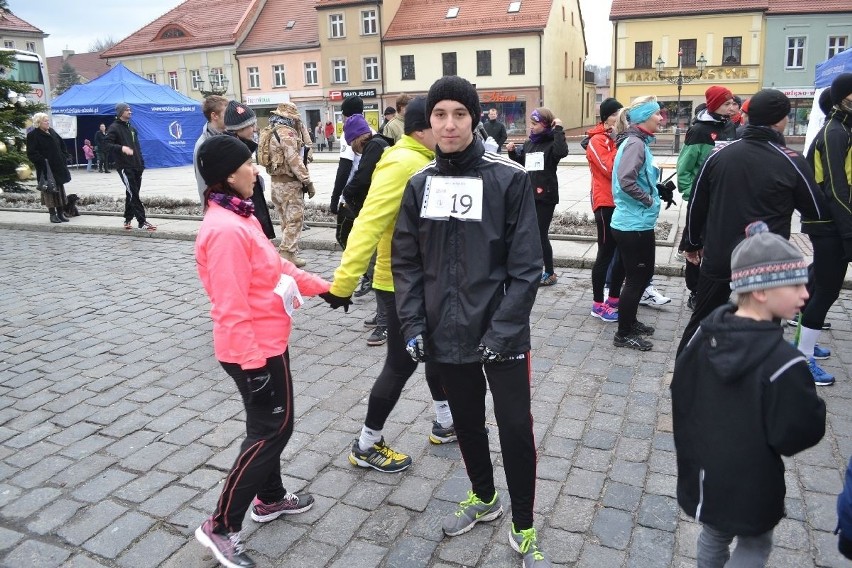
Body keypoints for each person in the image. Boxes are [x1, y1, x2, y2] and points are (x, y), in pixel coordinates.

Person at [393, 75, 551, 568]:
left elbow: (527, 267)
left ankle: (523, 525)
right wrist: (413, 323)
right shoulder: (420, 185)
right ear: (428, 122)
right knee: (466, 423)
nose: (449, 124)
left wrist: (503, 332)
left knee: (514, 429)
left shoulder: (508, 178)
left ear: (476, 117)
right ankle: (484, 498)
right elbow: (407, 262)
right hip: (445, 331)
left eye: (459, 114)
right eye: (439, 115)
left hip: (501, 331)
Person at [193, 135, 332, 568]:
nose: (257, 170)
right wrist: (254, 369)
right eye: (249, 165)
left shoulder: (240, 215)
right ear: (227, 176)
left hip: (269, 341)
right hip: (253, 350)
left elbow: (276, 266)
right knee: (271, 431)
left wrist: (326, 289)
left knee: (274, 426)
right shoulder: (225, 230)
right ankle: (220, 525)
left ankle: (269, 499)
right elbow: (229, 308)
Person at [672, 221, 826, 568]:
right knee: (755, 543)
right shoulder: (784, 362)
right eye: (796, 284)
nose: (806, 294)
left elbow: (682, 390)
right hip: (753, 481)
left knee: (713, 533)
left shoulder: (702, 335)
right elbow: (796, 434)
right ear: (761, 291)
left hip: (706, 469)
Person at [321, 96, 458, 474]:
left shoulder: (425, 159)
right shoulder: (402, 163)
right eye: (440, 120)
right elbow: (368, 222)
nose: (450, 128)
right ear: (422, 129)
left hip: (425, 280)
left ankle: (445, 423)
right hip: (400, 283)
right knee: (400, 363)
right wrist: (343, 283)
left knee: (437, 353)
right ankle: (367, 444)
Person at [676, 89, 826, 355]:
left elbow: (697, 204)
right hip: (764, 261)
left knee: (702, 322)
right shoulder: (791, 160)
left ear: (746, 116)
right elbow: (815, 211)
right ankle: (755, 384)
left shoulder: (719, 154)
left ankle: (685, 374)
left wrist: (691, 242)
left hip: (720, 254)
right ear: (782, 120)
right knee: (765, 329)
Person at [796, 72, 852, 385]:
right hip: (830, 222)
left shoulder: (841, 127)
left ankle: (804, 342)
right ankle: (802, 358)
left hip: (832, 221)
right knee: (827, 289)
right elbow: (836, 187)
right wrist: (848, 231)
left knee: (818, 283)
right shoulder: (834, 131)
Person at [610, 96, 665, 351]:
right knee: (636, 280)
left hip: (635, 223)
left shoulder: (637, 142)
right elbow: (626, 180)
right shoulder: (635, 144)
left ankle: (630, 322)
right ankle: (623, 334)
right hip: (634, 225)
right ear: (644, 117)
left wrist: (656, 191)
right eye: (657, 114)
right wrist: (649, 201)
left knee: (639, 277)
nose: (661, 118)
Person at [676, 86, 738, 310]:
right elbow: (684, 168)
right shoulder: (700, 131)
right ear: (714, 105)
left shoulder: (731, 127)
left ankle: (719, 289)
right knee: (695, 244)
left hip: (725, 200)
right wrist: (692, 196)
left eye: (733, 103)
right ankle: (695, 291)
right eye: (727, 103)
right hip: (703, 200)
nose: (732, 107)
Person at [507, 107, 568, 286]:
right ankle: (534, 267)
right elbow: (522, 164)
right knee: (530, 234)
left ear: (545, 124)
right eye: (530, 124)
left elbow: (561, 152)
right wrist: (512, 153)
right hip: (529, 194)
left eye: (535, 124)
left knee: (541, 235)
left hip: (546, 196)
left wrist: (558, 129)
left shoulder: (552, 142)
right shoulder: (529, 143)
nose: (531, 127)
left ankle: (549, 273)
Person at [586, 97, 625, 322]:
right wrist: (619, 143)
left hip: (621, 203)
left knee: (620, 253)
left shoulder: (616, 138)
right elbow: (612, 169)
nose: (619, 117)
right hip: (605, 204)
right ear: (607, 117)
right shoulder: (597, 140)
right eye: (615, 114)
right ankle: (598, 304)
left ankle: (613, 299)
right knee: (605, 254)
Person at [223, 100, 277, 243]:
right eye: (251, 125)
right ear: (239, 128)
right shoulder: (232, 150)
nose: (255, 129)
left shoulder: (239, 145)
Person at [103, 102, 156, 231]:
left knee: (132, 192)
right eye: (127, 110)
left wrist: (141, 163)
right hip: (125, 166)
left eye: (130, 110)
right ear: (121, 112)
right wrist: (122, 148)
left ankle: (127, 219)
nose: (130, 112)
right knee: (133, 193)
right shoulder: (114, 128)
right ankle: (141, 221)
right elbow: (106, 145)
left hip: (136, 165)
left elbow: (137, 147)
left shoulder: (131, 128)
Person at [26, 112, 71, 224]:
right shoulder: (33, 135)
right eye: (45, 121)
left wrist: (64, 156)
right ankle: (52, 215)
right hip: (46, 169)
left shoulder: (51, 131)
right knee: (49, 191)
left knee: (59, 190)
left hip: (58, 166)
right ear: (38, 122)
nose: (47, 122)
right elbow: (31, 153)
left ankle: (61, 213)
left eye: (47, 120)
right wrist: (43, 160)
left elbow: (62, 144)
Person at [193, 95, 229, 203]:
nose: (229, 117)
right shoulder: (203, 145)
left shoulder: (228, 136)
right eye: (226, 113)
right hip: (218, 205)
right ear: (214, 116)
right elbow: (202, 182)